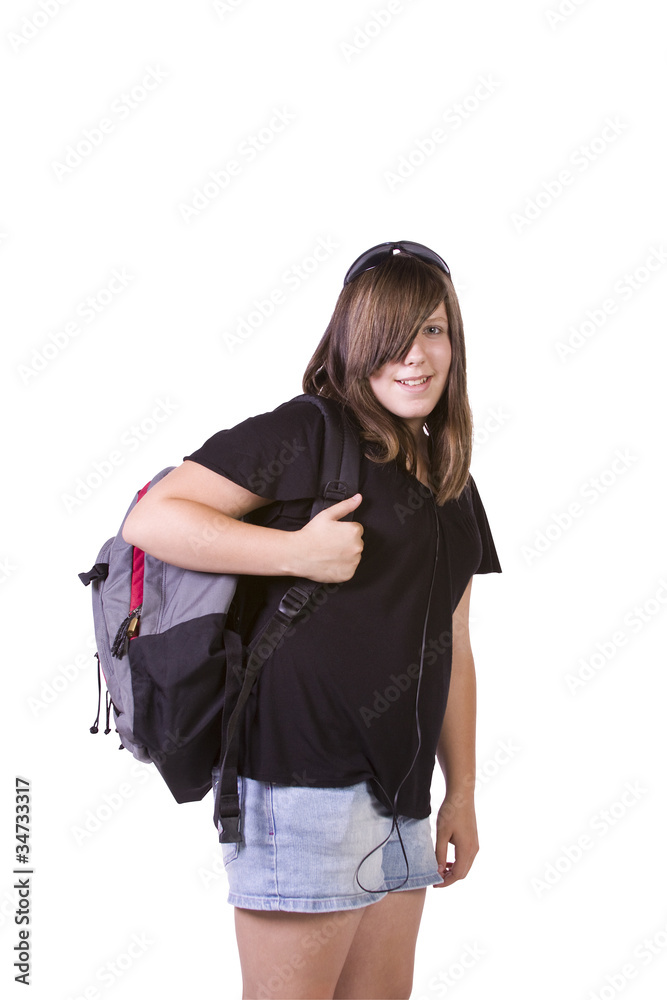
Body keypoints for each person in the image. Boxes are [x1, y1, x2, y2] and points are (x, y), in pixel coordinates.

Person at [122, 240, 502, 999]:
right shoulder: (306, 434)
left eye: (432, 330)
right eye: (392, 335)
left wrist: (459, 791)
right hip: (299, 789)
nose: (415, 357)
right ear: (352, 342)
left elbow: (453, 644)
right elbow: (153, 518)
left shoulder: (451, 478)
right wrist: (296, 551)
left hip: (403, 799)